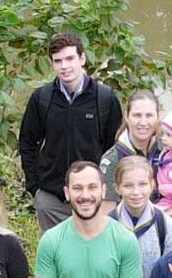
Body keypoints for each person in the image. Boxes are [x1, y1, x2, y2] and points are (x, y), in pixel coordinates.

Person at [20, 32, 123, 231]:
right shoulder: (42, 98)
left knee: (94, 252)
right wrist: (35, 187)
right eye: (58, 61)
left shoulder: (104, 98)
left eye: (70, 58)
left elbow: (114, 147)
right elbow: (27, 142)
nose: (64, 66)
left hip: (91, 196)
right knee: (56, 254)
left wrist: (106, 190)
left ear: (82, 59)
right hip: (52, 198)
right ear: (52, 63)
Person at [99, 89, 161, 190]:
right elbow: (108, 205)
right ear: (126, 116)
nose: (143, 122)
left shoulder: (168, 149)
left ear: (158, 117)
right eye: (137, 115)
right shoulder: (112, 160)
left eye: (149, 115)